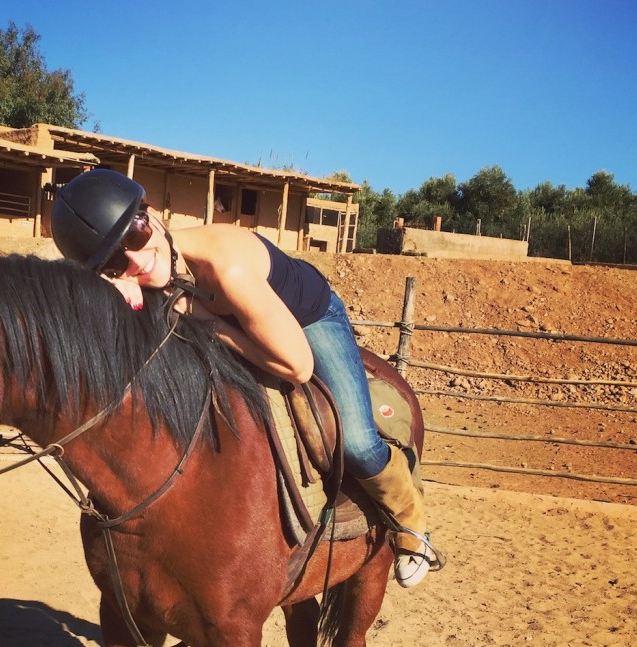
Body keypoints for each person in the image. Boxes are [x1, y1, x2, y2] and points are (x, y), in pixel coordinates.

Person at [51, 168, 441, 587]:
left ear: (155, 217)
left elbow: (296, 366)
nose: (135, 261)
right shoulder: (145, 272)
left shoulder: (228, 268)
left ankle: (410, 523)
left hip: (306, 323)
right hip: (235, 319)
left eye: (135, 235)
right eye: (113, 262)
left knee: (359, 441)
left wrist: (203, 321)